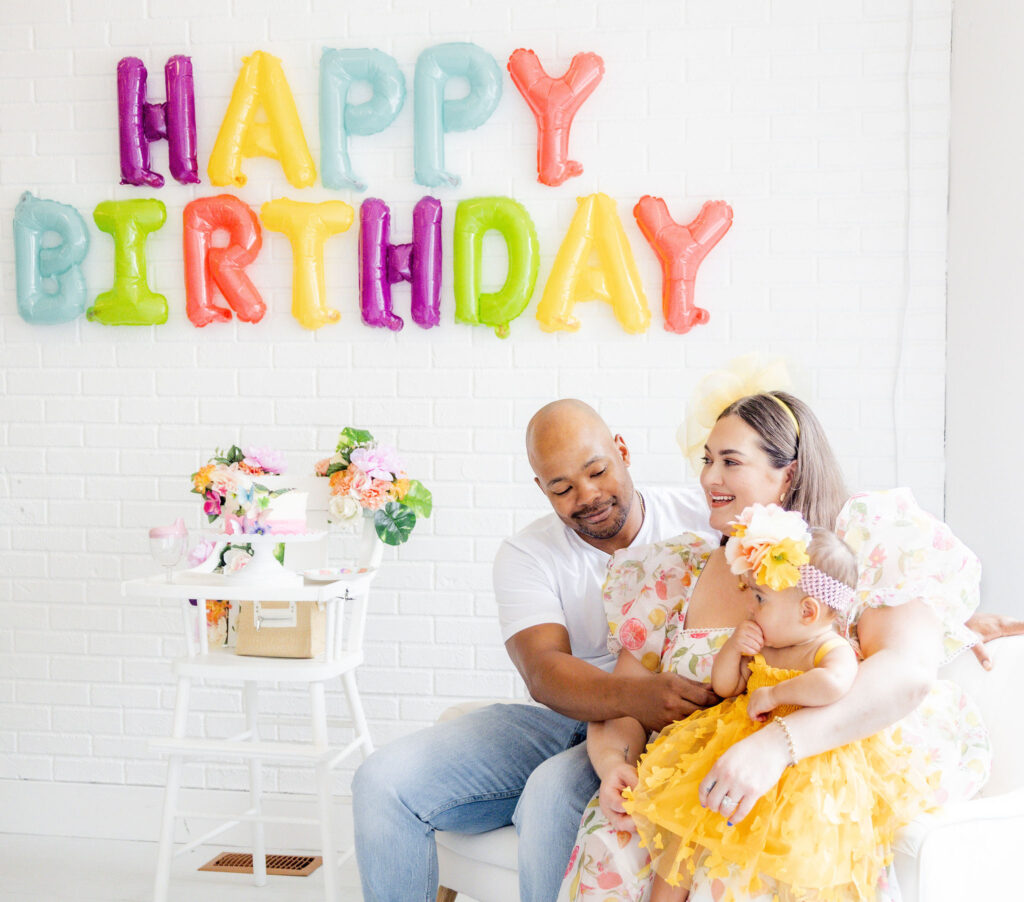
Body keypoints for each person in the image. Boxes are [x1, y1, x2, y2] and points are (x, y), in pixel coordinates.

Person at [560, 390, 995, 902]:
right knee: (613, 834)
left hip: (809, 769)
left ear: (787, 473)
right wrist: (615, 765)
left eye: (730, 462)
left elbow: (907, 670)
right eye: (706, 460)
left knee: (740, 867)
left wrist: (776, 745)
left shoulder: (852, 543)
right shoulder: (673, 571)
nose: (707, 478)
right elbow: (622, 700)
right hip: (698, 775)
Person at [351, 399, 719, 902]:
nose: (587, 496)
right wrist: (637, 696)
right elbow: (544, 671)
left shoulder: (703, 518)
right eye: (563, 487)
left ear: (623, 451)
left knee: (551, 793)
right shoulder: (527, 554)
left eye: (596, 472)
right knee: (381, 781)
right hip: (563, 714)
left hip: (670, 725)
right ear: (541, 488)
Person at [625, 507, 934, 902]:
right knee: (685, 830)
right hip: (735, 742)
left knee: (775, 852)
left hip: (805, 764)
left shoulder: (830, 649)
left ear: (807, 612)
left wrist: (775, 695)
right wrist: (733, 651)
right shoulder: (766, 642)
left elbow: (833, 687)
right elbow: (725, 687)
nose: (750, 607)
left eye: (760, 597)